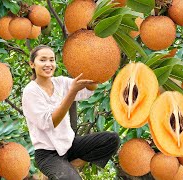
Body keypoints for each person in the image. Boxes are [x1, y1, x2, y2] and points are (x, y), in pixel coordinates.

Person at [22, 45, 120, 180]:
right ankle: (59, 171)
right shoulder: (30, 91)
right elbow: (50, 123)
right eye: (43, 60)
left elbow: (88, 90)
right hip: (48, 154)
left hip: (70, 146)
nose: (48, 64)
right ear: (32, 64)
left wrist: (93, 66)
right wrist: (72, 91)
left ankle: (65, 168)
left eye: (52, 60)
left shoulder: (61, 82)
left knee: (111, 140)